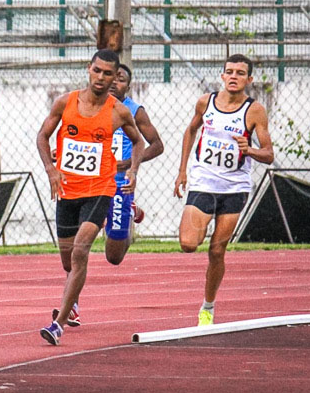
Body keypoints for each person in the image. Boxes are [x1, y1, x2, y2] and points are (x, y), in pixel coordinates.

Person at [35, 49, 144, 346]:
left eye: (108, 73)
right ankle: (73, 297)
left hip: (100, 189)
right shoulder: (66, 102)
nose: (101, 77)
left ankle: (59, 324)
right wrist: (51, 170)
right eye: (97, 71)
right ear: (89, 69)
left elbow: (139, 143)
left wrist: (132, 169)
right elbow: (42, 137)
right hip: (67, 190)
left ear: (114, 77)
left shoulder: (118, 111)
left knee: (82, 249)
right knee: (69, 260)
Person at [174, 54, 273, 326]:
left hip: (234, 187)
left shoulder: (254, 111)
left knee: (217, 252)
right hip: (204, 181)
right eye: (229, 71)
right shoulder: (206, 103)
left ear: (249, 79)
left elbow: (268, 154)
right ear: (222, 75)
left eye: (240, 73)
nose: (233, 76)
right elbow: (190, 131)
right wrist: (183, 170)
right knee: (188, 244)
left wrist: (249, 149)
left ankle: (207, 307)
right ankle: (201, 221)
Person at [101, 63, 165, 269]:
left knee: (114, 257)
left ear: (128, 87)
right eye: (113, 77)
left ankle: (127, 212)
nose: (114, 83)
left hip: (120, 182)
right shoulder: (89, 106)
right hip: (91, 182)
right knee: (77, 240)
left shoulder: (135, 111)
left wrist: (131, 163)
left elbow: (157, 146)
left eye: (121, 80)